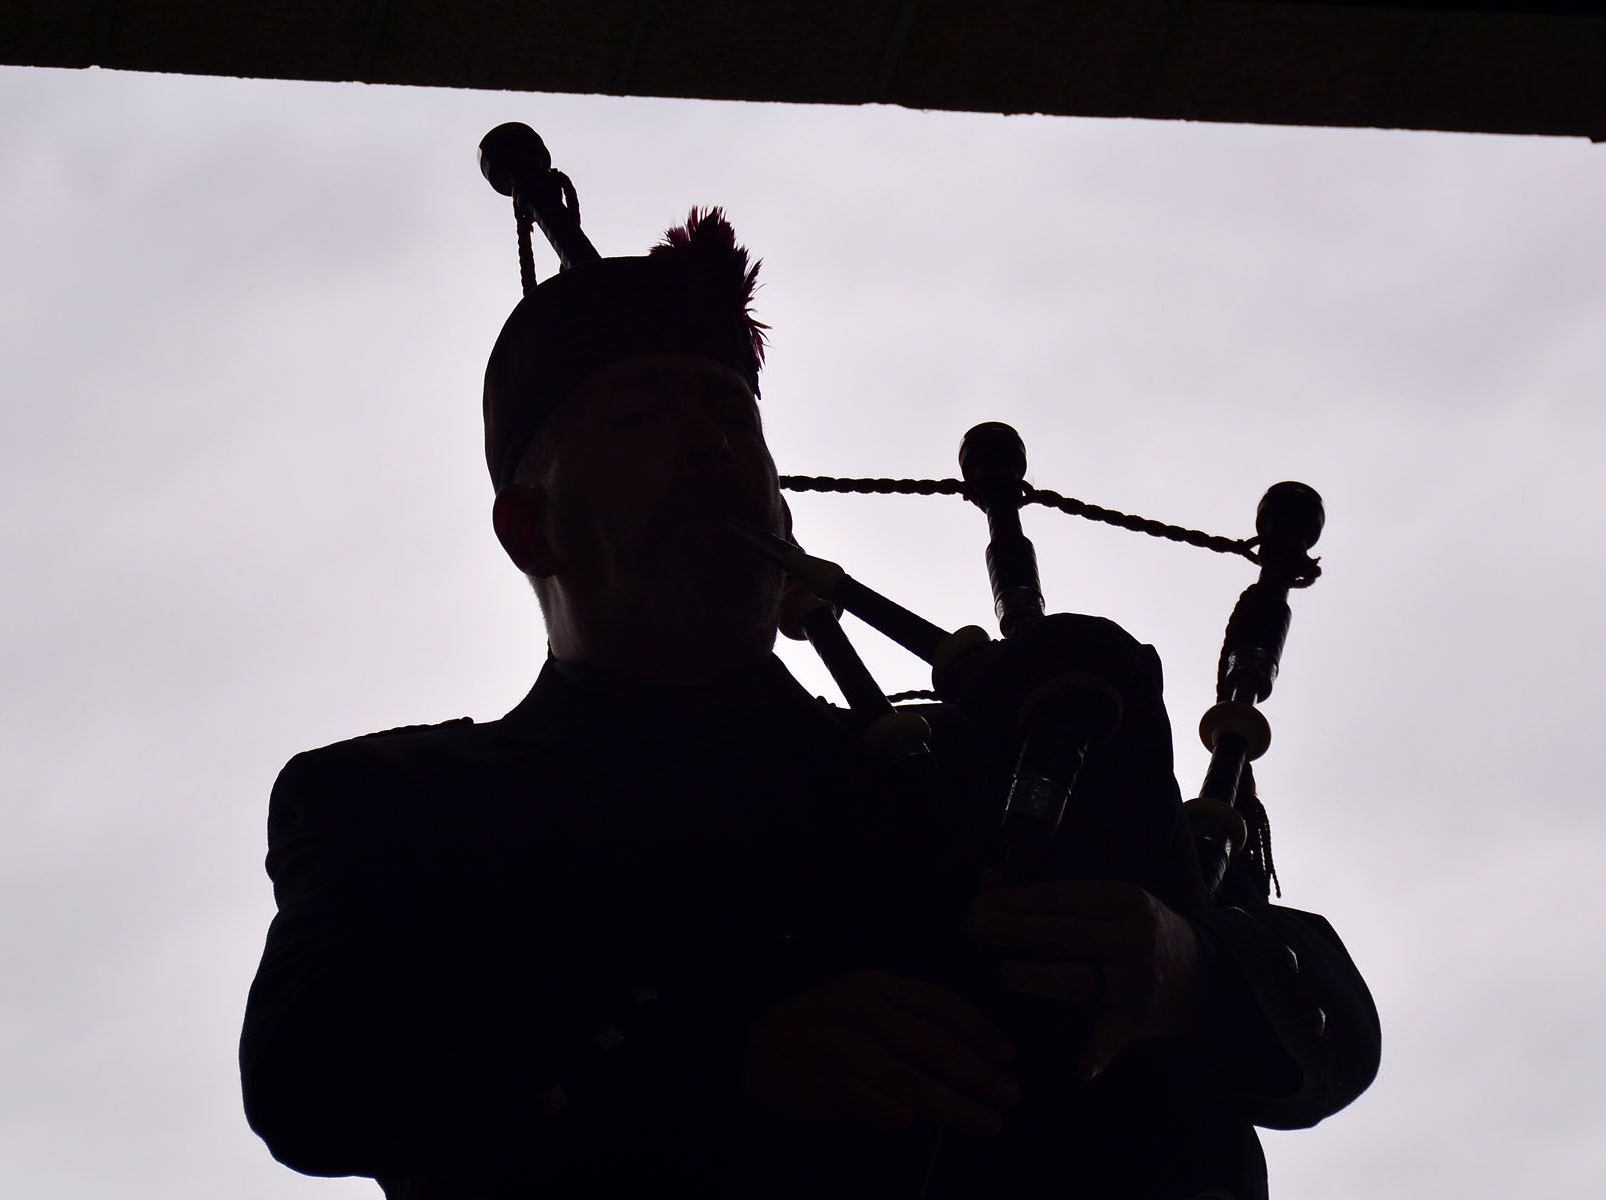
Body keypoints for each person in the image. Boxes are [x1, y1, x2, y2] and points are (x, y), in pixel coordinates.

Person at [240, 192, 1379, 1199]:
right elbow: (312, 1078)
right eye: (640, 415)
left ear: (783, 513)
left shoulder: (947, 787)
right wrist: (727, 1060)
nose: (707, 446)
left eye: (729, 414)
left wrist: (1185, 966)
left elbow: (1331, 1026)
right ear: (527, 528)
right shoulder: (401, 804)